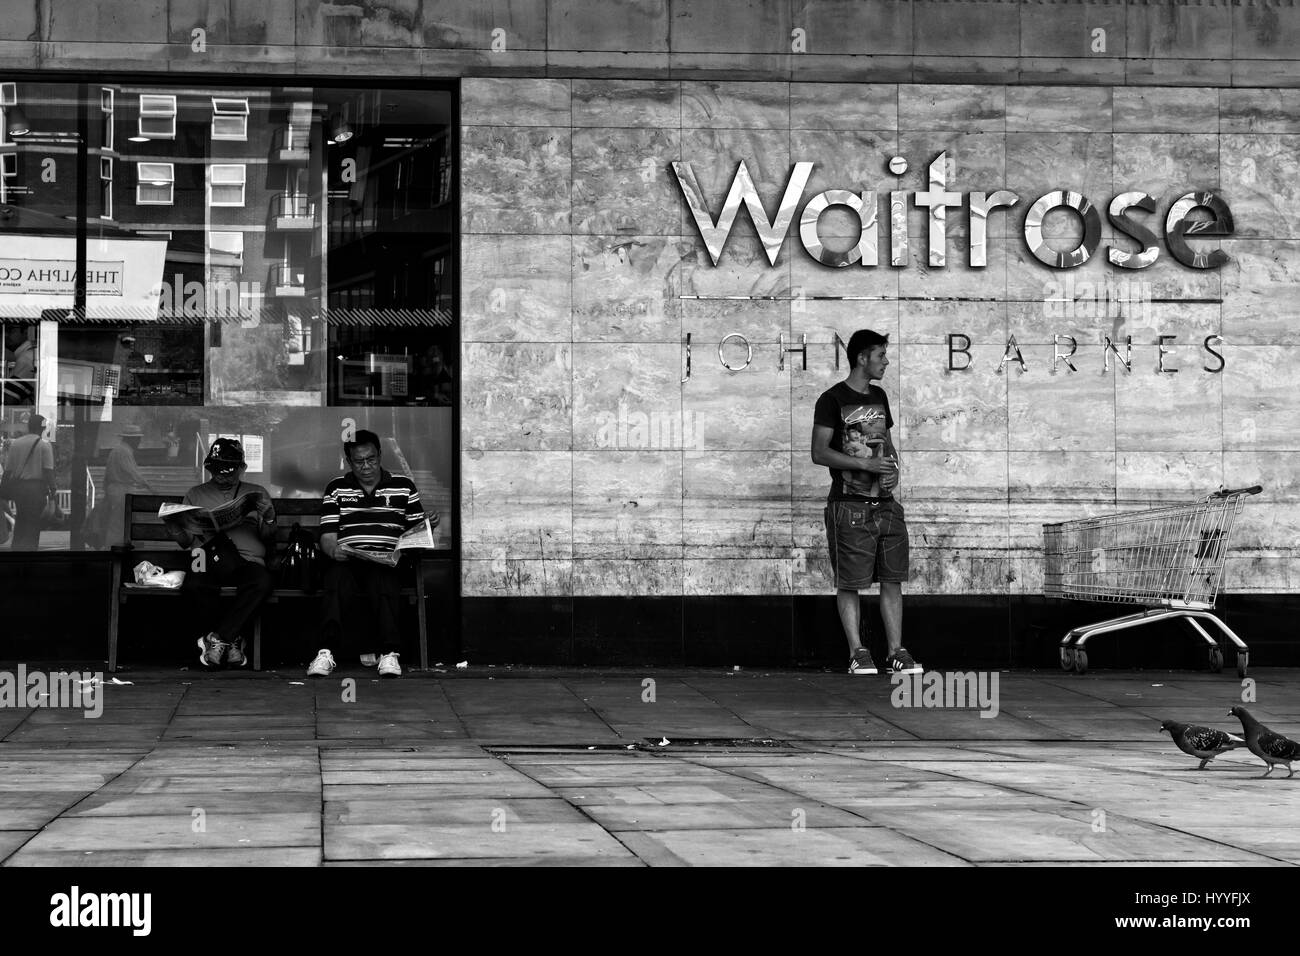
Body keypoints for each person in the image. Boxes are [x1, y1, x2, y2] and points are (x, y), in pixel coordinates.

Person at [812, 329, 922, 677]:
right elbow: (819, 452)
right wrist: (864, 464)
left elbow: (887, 445)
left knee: (893, 578)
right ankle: (857, 652)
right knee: (850, 581)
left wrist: (894, 471)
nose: (886, 362)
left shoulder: (879, 397)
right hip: (848, 505)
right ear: (862, 358)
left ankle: (896, 652)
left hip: (885, 504)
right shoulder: (831, 399)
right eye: (881, 356)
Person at [308, 429, 432, 679]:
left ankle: (389, 653)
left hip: (386, 560)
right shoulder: (337, 488)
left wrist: (429, 525)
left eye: (372, 459)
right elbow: (328, 535)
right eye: (359, 461)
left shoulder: (403, 486)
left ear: (380, 455)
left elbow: (416, 528)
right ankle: (325, 652)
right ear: (348, 461)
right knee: (335, 579)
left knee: (383, 579)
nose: (366, 466)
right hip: (349, 559)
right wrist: (334, 551)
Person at [166, 438, 276, 669]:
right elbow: (186, 543)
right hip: (205, 557)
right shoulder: (195, 494)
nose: (222, 475)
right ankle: (232, 639)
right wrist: (175, 527)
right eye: (216, 469)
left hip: (248, 560)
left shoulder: (256, 493)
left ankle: (217, 639)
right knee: (194, 585)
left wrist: (269, 517)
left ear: (242, 468)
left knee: (262, 582)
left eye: (229, 469)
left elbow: (268, 537)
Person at [91, 424, 153, 548]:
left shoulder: (118, 450)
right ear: (131, 439)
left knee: (118, 522)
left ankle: (114, 547)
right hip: (121, 490)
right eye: (137, 438)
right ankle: (113, 548)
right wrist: (148, 486)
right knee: (119, 523)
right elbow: (132, 472)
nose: (139, 441)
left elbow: (107, 476)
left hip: (115, 489)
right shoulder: (123, 451)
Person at [2, 413, 55, 550]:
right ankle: (30, 553)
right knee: (33, 523)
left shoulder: (16, 444)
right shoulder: (44, 445)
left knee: (21, 519)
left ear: (29, 426)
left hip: (19, 489)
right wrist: (53, 491)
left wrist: (3, 490)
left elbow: (7, 471)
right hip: (36, 489)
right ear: (42, 427)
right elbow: (48, 471)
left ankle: (17, 551)